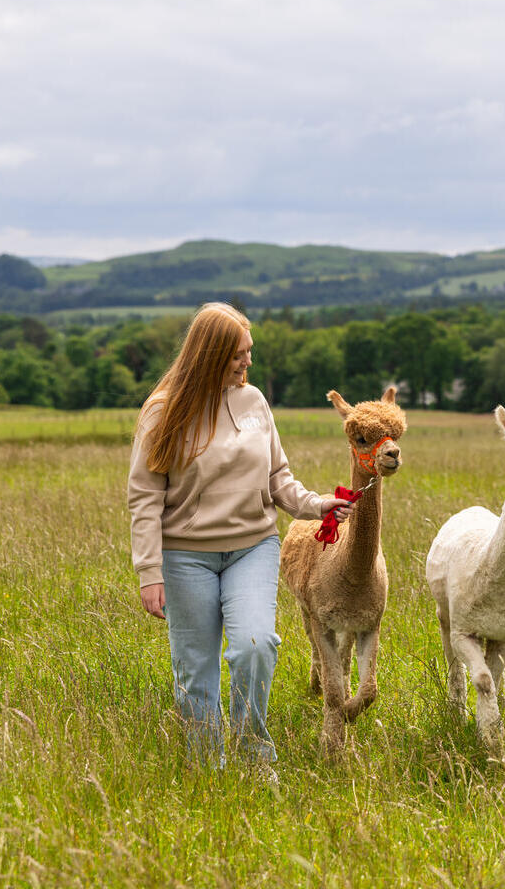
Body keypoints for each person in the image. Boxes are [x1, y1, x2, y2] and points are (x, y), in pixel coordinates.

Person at [128, 302, 353, 775]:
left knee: (255, 644)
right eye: (237, 355)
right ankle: (208, 769)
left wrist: (316, 506)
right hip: (185, 556)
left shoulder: (254, 403)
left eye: (249, 353)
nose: (247, 363)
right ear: (209, 355)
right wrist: (150, 572)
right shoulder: (162, 412)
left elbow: (279, 478)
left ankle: (253, 756)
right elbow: (145, 498)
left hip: (254, 546)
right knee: (196, 668)